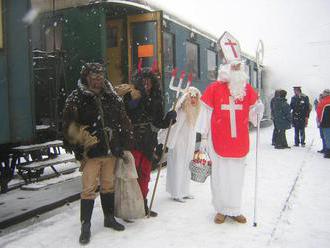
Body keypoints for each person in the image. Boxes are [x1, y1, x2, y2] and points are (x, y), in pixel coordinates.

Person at [62, 62, 134, 245]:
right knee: (88, 190)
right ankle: (85, 226)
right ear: (86, 77)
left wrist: (120, 145)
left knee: (108, 185)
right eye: (94, 78)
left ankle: (109, 218)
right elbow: (68, 127)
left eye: (100, 77)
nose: (97, 81)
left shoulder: (111, 96)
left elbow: (122, 121)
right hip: (91, 154)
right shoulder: (75, 98)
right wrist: (83, 146)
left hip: (110, 151)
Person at [196, 32, 264, 224]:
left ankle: (234, 209)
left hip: (239, 141)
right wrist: (203, 138)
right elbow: (206, 115)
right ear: (226, 68)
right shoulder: (214, 89)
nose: (236, 69)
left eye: (238, 66)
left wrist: (258, 109)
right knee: (220, 177)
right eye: (233, 66)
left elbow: (254, 116)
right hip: (218, 141)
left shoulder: (246, 90)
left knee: (237, 177)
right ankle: (221, 209)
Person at [118, 68, 177, 217]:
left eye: (149, 82)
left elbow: (158, 122)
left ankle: (142, 204)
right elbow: (127, 113)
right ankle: (129, 206)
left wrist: (170, 118)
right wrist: (138, 99)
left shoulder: (156, 98)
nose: (146, 85)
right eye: (143, 82)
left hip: (149, 141)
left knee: (145, 174)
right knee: (132, 174)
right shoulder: (131, 95)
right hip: (133, 139)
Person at [158, 87, 201, 202]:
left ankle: (184, 191)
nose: (193, 99)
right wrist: (169, 142)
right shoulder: (182, 112)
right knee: (178, 166)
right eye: (191, 97)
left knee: (187, 167)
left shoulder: (194, 112)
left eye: (195, 97)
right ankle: (176, 193)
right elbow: (174, 129)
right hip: (179, 145)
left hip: (189, 145)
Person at [316, 89, 330, 158]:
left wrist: (319, 122)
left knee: (327, 137)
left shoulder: (323, 102)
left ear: (325, 94)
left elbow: (319, 114)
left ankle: (328, 152)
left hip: (326, 123)